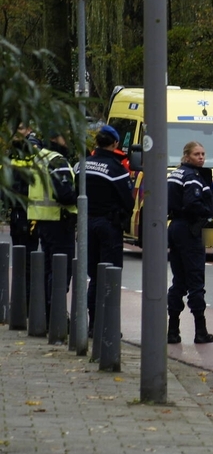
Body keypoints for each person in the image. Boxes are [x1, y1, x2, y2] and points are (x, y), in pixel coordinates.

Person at [78, 125, 134, 333]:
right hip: (109, 226)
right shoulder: (116, 169)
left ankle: (93, 324)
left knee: (94, 276)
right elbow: (128, 202)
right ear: (115, 143)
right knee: (110, 276)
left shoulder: (82, 165)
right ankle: (108, 325)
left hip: (86, 224)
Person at [167, 141, 213, 344]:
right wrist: (208, 212)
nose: (201, 157)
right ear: (186, 156)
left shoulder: (175, 174)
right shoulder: (192, 177)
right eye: (197, 154)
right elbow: (192, 203)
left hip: (175, 228)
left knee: (179, 280)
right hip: (189, 229)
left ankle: (173, 330)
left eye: (203, 154)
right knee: (195, 281)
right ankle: (200, 331)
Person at [28, 130, 77, 322]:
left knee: (49, 269)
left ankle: (48, 314)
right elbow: (64, 195)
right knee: (60, 273)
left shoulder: (39, 158)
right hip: (59, 221)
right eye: (65, 136)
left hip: (43, 221)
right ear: (54, 137)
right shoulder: (57, 161)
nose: (67, 140)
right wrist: (80, 195)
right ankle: (56, 318)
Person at [5, 125, 39, 252]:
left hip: (28, 211)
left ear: (29, 130)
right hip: (16, 210)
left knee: (28, 256)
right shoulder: (13, 151)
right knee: (18, 253)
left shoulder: (32, 150)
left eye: (19, 129)